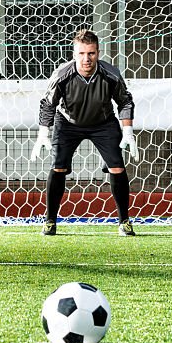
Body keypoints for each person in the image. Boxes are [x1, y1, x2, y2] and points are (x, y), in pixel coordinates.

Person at [30, 29, 139, 236]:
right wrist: (43, 134)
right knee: (58, 167)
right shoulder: (62, 75)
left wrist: (128, 132)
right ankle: (50, 221)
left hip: (103, 123)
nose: (86, 59)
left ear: (98, 53)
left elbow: (125, 101)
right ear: (74, 54)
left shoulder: (111, 74)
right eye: (81, 53)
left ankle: (124, 221)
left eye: (91, 53)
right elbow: (48, 105)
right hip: (68, 122)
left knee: (117, 167)